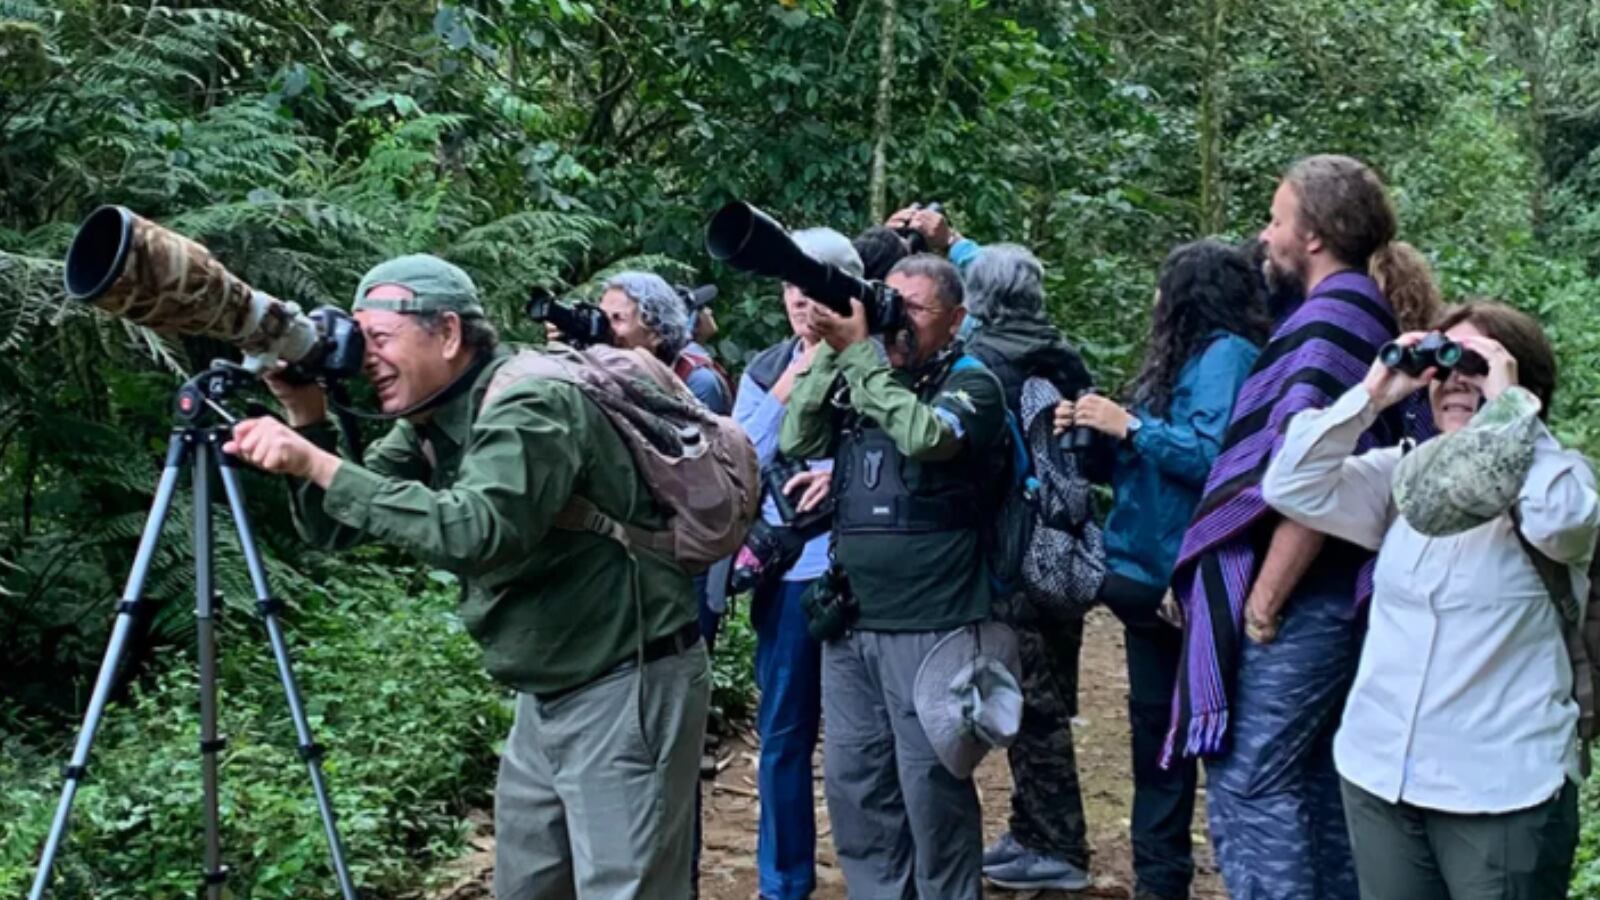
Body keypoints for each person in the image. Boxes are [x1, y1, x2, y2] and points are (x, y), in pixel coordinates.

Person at [225, 254, 708, 900]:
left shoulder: (533, 400)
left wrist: (319, 464)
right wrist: (309, 420)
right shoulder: (431, 418)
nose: (365, 357)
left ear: (448, 334)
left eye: (380, 339)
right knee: (527, 887)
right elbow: (336, 529)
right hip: (547, 692)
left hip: (627, 680)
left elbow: (477, 532)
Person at [1166, 155, 1434, 900]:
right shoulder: (1352, 311)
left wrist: (1263, 603)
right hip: (1326, 603)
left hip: (1301, 604)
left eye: (1277, 219)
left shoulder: (1333, 318)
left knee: (1250, 786)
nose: (1267, 235)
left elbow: (1313, 471)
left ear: (1313, 235)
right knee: (1308, 782)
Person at [1263, 301, 1595, 899]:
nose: (1457, 379)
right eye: (1445, 363)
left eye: (1477, 363)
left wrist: (1514, 411)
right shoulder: (1404, 480)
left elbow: (1564, 524)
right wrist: (1373, 392)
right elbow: (1290, 484)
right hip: (1379, 772)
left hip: (1500, 791)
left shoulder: (1559, 479)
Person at [780, 254, 1004, 899]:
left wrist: (861, 361)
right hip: (851, 623)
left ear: (956, 320)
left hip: (932, 625)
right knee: (856, 787)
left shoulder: (974, 384)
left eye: (915, 309)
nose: (897, 321)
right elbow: (798, 437)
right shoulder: (863, 376)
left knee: (932, 788)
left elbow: (928, 438)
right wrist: (829, 351)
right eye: (891, 304)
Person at [1055, 239, 1267, 900]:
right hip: (1146, 567)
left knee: (1205, 732)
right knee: (1156, 733)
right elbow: (1147, 461)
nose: (1153, 300)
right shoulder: (1184, 360)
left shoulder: (1227, 355)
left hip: (1193, 575)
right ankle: (1160, 878)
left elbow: (1215, 459)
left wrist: (1133, 429)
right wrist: (1093, 434)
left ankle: (1226, 870)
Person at [950, 243, 1096, 892]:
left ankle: (1059, 846)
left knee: (1030, 705)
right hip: (1060, 547)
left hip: (1012, 554)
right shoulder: (1062, 356)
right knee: (1045, 698)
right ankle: (1033, 830)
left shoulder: (989, 365)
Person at [731, 228, 862, 900]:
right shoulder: (765, 366)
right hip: (788, 577)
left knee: (861, 742)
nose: (797, 303)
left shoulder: (878, 360)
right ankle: (783, 882)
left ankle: (877, 872)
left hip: (861, 572)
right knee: (784, 733)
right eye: (787, 288)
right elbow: (736, 459)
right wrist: (791, 379)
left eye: (809, 288)